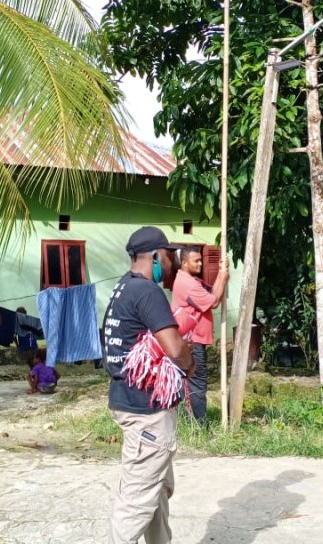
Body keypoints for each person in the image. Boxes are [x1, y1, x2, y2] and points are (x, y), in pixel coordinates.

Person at [103, 225, 193, 544]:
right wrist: (190, 363)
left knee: (157, 492)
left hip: (129, 400)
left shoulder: (122, 287)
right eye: (168, 256)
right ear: (155, 256)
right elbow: (175, 348)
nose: (171, 263)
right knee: (136, 503)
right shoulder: (147, 291)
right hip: (147, 412)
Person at [169, 245, 229, 422]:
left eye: (201, 260)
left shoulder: (191, 281)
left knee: (187, 381)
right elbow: (214, 302)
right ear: (184, 263)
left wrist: (221, 274)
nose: (201, 264)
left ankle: (185, 420)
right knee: (197, 382)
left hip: (191, 340)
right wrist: (223, 277)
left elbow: (212, 295)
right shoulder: (187, 284)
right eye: (196, 261)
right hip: (191, 341)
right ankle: (199, 423)